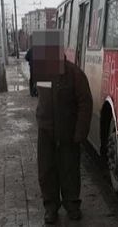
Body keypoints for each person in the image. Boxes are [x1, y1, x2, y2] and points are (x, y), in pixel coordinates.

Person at [36, 57, 93, 224]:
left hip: (69, 134)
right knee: (47, 171)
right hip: (46, 132)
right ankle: (51, 208)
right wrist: (41, 120)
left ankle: (72, 205)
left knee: (69, 171)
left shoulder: (75, 74)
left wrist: (80, 133)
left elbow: (85, 103)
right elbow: (41, 97)